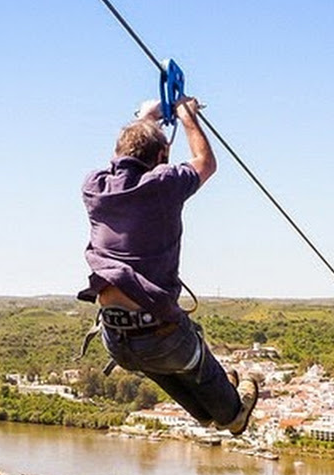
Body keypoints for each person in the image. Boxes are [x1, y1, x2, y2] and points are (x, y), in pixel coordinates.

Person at [77, 96, 258, 435]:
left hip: (115, 340)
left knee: (157, 362)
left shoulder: (94, 187)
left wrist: (146, 119)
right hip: (160, 337)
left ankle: (203, 415)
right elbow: (205, 162)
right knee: (193, 359)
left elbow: (122, 159)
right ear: (161, 158)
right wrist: (187, 117)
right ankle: (229, 413)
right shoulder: (162, 185)